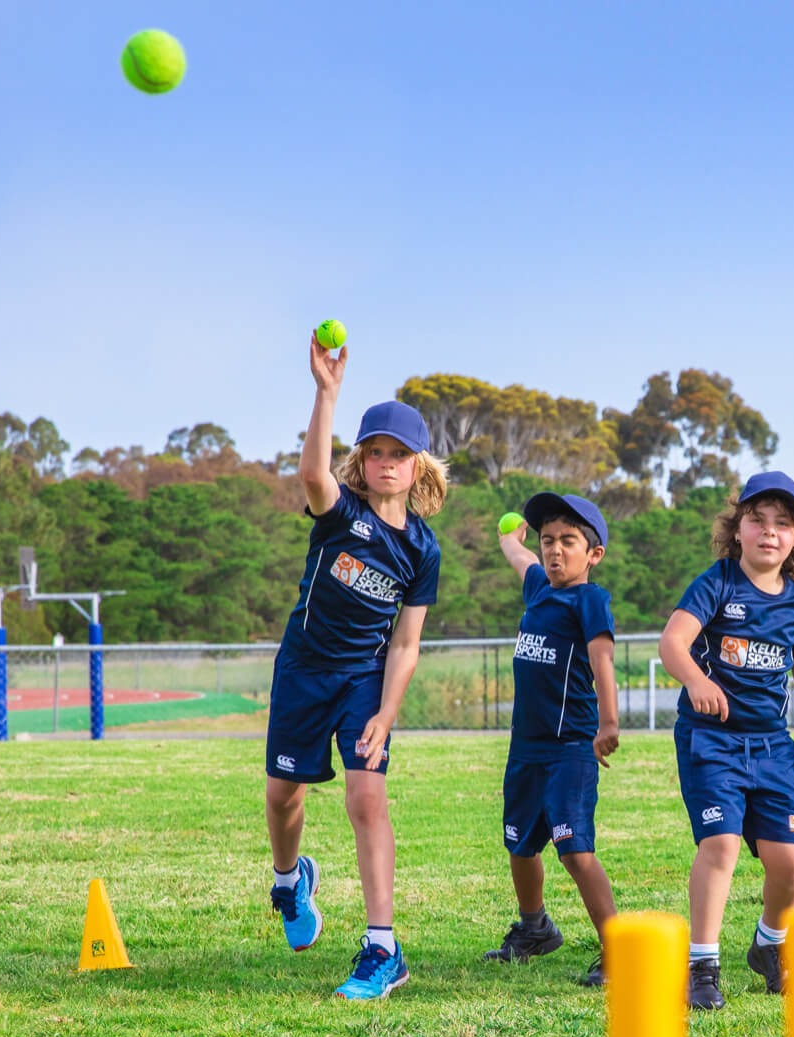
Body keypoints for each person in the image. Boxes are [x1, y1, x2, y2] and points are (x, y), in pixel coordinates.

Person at [265, 333, 447, 999]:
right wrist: (326, 392)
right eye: (376, 453)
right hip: (303, 669)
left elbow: (405, 643)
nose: (387, 463)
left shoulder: (421, 549)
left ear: (417, 465)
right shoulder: (341, 514)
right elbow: (314, 477)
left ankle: (382, 947)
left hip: (364, 680)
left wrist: (387, 712)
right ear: (362, 462)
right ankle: (290, 881)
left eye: (399, 454)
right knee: (283, 795)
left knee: (367, 796)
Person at [658, 472, 794, 1011]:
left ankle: (769, 944)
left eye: (782, 524)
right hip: (711, 742)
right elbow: (673, 642)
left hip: (771, 748)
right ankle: (702, 967)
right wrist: (696, 681)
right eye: (757, 520)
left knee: (791, 864)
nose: (769, 531)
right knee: (720, 845)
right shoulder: (717, 583)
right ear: (737, 529)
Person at [484, 492, 621, 987]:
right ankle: (535, 928)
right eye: (548, 540)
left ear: (594, 554)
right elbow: (520, 559)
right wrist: (510, 538)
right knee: (520, 844)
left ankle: (619, 950)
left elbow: (602, 660)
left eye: (568, 541)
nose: (555, 550)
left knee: (574, 850)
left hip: (571, 747)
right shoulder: (539, 587)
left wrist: (609, 722)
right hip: (526, 747)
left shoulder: (590, 601)